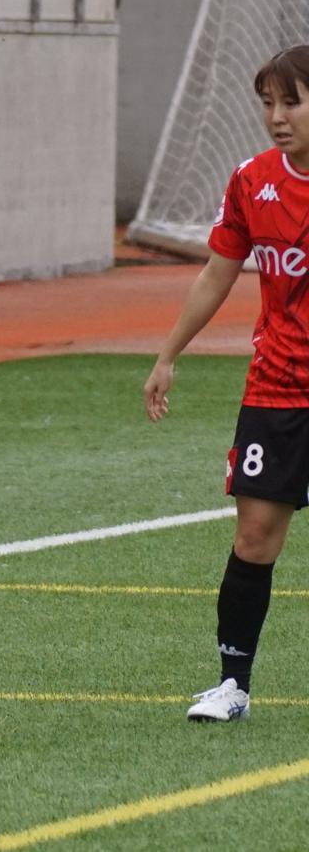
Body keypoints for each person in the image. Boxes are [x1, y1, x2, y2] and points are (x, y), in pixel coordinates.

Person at [145, 44, 309, 724]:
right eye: (267, 102)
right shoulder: (251, 181)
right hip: (275, 389)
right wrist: (168, 353)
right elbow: (219, 270)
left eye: (291, 100)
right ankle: (231, 685)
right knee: (254, 536)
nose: (276, 115)